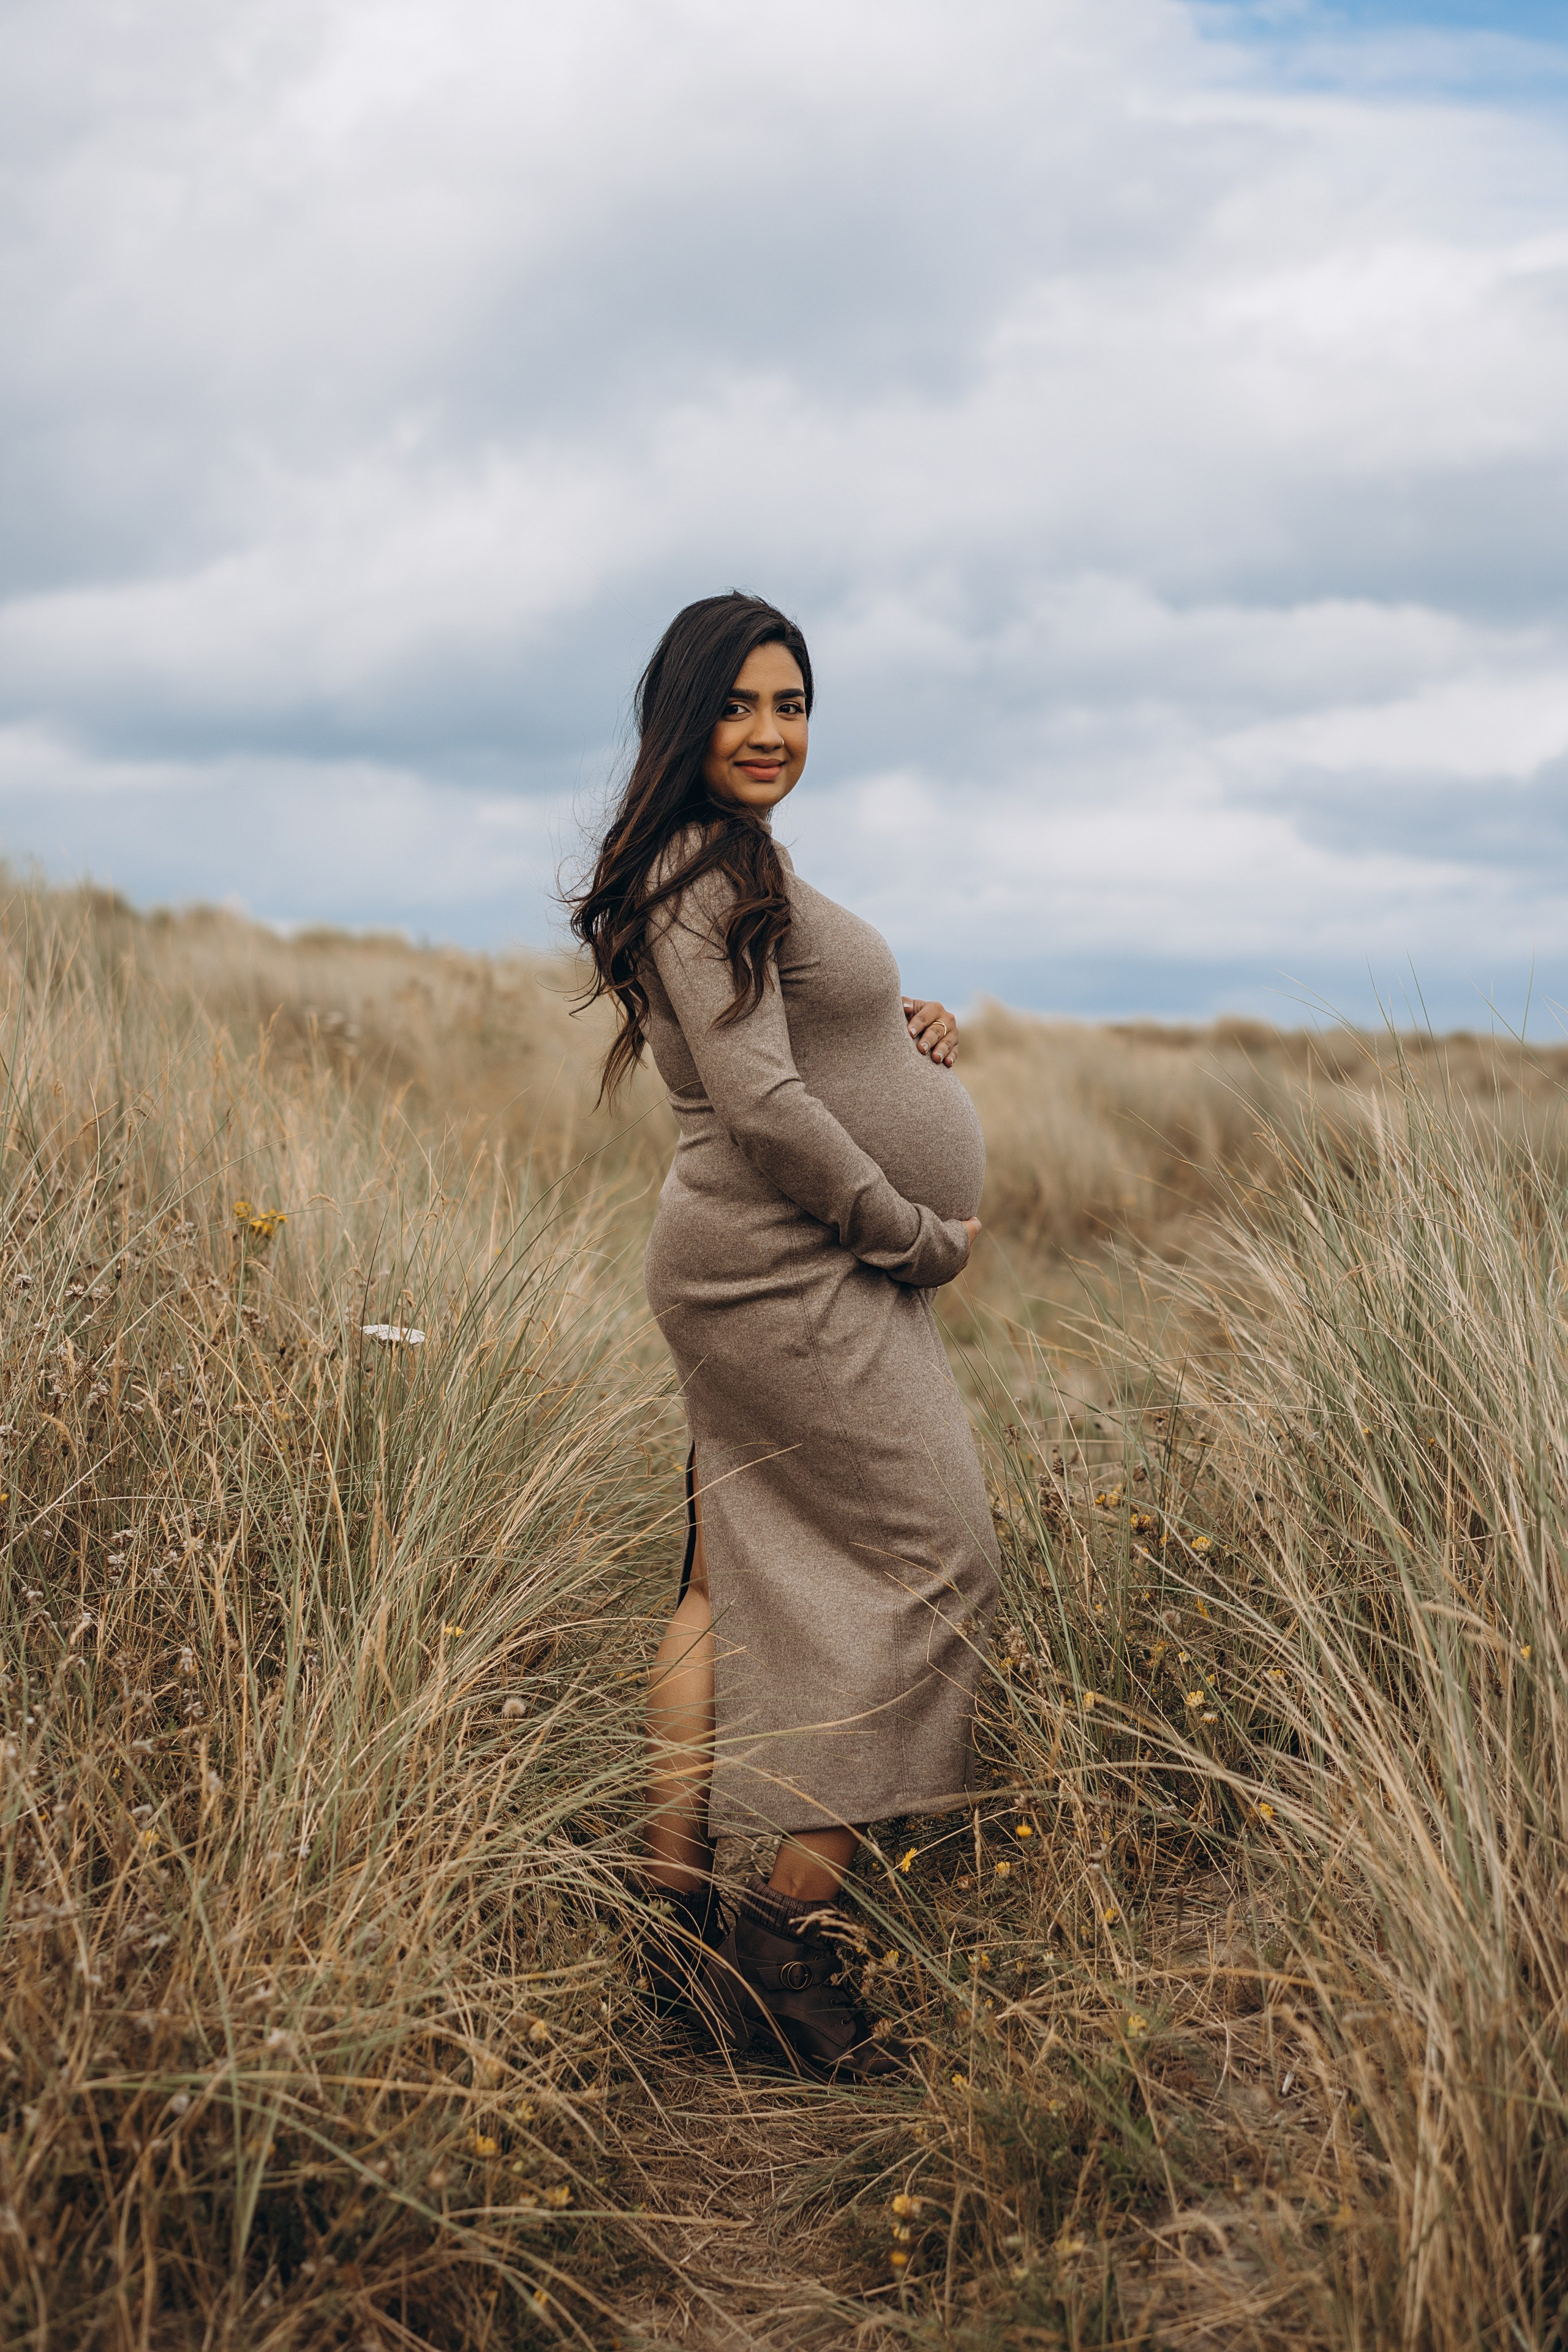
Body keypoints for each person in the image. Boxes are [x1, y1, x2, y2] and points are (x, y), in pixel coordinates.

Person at [571, 591, 999, 2079]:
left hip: (758, 1263)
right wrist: (909, 1234)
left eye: (793, 705)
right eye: (742, 705)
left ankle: (676, 1928)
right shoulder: (701, 870)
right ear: (688, 721)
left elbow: (795, 1041)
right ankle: (776, 1939)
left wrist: (900, 1029)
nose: (771, 733)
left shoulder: (723, 865)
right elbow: (756, 1104)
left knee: (717, 1584)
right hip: (784, 1270)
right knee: (940, 1559)